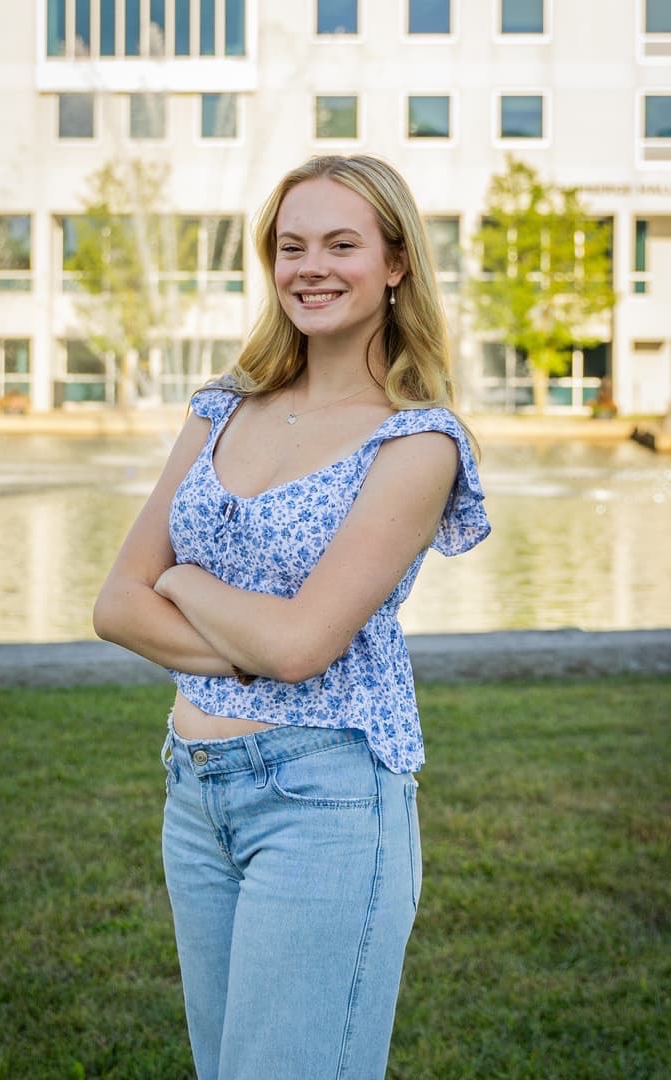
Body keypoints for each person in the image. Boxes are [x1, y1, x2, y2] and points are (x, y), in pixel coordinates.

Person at [93, 153, 490, 1080]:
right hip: (194, 794)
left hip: (327, 798)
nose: (310, 266)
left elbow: (306, 646)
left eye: (342, 244)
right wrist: (248, 643)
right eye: (290, 245)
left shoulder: (417, 440)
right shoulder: (224, 406)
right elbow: (116, 605)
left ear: (395, 263)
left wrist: (184, 583)